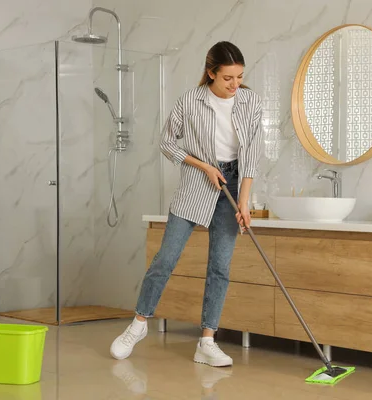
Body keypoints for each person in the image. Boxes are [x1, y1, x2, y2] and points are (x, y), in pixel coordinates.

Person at [110, 41, 263, 368]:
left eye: (240, 77)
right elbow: (167, 143)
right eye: (228, 78)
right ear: (211, 73)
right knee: (166, 257)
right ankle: (138, 324)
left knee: (220, 267)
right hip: (198, 182)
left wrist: (244, 203)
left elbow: (251, 154)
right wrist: (203, 166)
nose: (235, 85)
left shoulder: (249, 101)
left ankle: (206, 342)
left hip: (232, 187)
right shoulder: (189, 102)